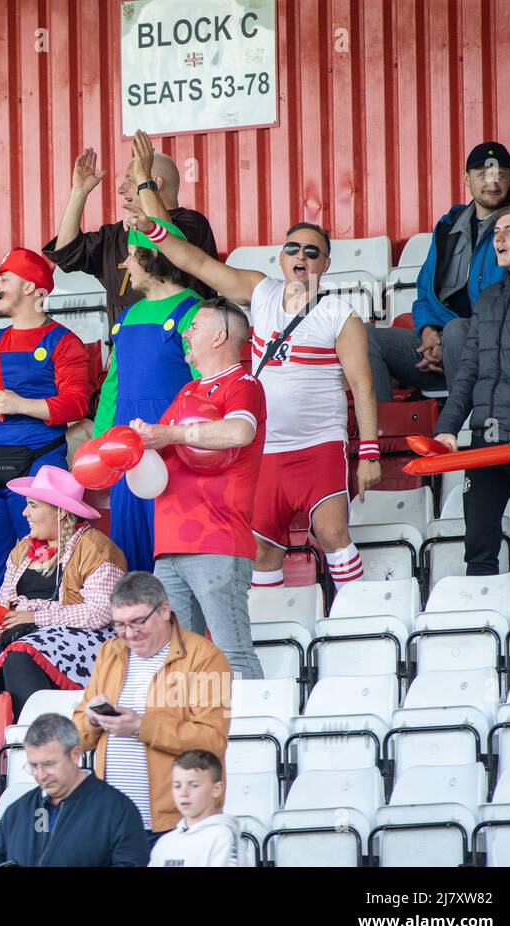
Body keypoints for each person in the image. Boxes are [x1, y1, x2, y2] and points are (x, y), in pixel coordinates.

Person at [130, 131, 380, 591]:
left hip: (319, 447)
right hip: (265, 450)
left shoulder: (340, 314)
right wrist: (150, 204)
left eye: (311, 251)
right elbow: (193, 260)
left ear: (325, 263)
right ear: (280, 259)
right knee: (263, 549)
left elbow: (363, 387)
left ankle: (356, 620)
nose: (300, 256)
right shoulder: (260, 292)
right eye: (292, 248)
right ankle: (269, 644)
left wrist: (368, 452)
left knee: (332, 535)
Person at [130, 300, 267, 679]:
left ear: (220, 336)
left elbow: (240, 431)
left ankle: (252, 734)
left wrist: (169, 433)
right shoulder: (187, 390)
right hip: (170, 543)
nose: (185, 333)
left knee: (231, 653)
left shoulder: (245, 384)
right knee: (177, 662)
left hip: (218, 539)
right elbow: (153, 455)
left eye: (194, 327)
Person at [0, 465, 126, 714]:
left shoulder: (96, 548)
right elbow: (4, 603)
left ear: (60, 513)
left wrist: (34, 618)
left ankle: (31, 741)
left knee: (21, 655)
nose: (24, 513)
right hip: (25, 636)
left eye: (33, 505)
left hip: (85, 640)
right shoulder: (22, 550)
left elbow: (99, 614)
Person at [0, 248, 92, 600]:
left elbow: (77, 403)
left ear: (33, 289)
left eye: (5, 278)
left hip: (38, 469)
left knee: (42, 565)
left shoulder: (63, 341)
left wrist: (20, 404)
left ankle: (38, 644)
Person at [369, 142, 510, 400]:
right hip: (445, 346)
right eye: (483, 175)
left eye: (500, 175)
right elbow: (425, 292)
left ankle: (476, 430)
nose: (492, 184)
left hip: (503, 351)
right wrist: (429, 332)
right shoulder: (449, 226)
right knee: (365, 337)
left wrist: (450, 337)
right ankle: (378, 434)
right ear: (466, 178)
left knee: (459, 330)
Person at [73, 572, 231, 842]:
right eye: (120, 625)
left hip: (178, 824)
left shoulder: (207, 657)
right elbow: (78, 735)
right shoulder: (109, 651)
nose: (129, 634)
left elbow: (212, 741)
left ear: (165, 610)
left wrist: (140, 726)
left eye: (138, 621)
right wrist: (93, 720)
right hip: (114, 823)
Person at [433, 205, 510, 594]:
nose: (498, 238)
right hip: (484, 443)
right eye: (496, 231)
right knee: (478, 547)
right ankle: (482, 628)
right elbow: (467, 374)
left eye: (509, 231)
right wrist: (447, 428)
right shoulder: (489, 299)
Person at [92, 224, 203, 571]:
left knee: (176, 556)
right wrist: (100, 444)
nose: (125, 263)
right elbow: (113, 385)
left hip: (176, 456)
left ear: (152, 255)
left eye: (130, 254)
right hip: (128, 457)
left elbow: (206, 387)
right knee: (131, 553)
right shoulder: (127, 316)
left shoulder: (194, 311)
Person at [44, 137, 218, 314]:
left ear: (155, 184)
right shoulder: (114, 234)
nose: (120, 189)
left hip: (181, 337)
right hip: (125, 339)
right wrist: (78, 193)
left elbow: (163, 239)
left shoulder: (193, 223)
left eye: (130, 179)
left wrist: (143, 177)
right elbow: (66, 254)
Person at [0, 714, 147, 867]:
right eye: (34, 766)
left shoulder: (119, 810)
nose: (41, 775)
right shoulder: (17, 812)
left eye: (49, 764)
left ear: (75, 755)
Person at [148, 749, 240, 867]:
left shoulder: (223, 837)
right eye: (177, 785)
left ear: (216, 789)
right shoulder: (164, 842)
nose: (183, 793)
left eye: (194, 785)